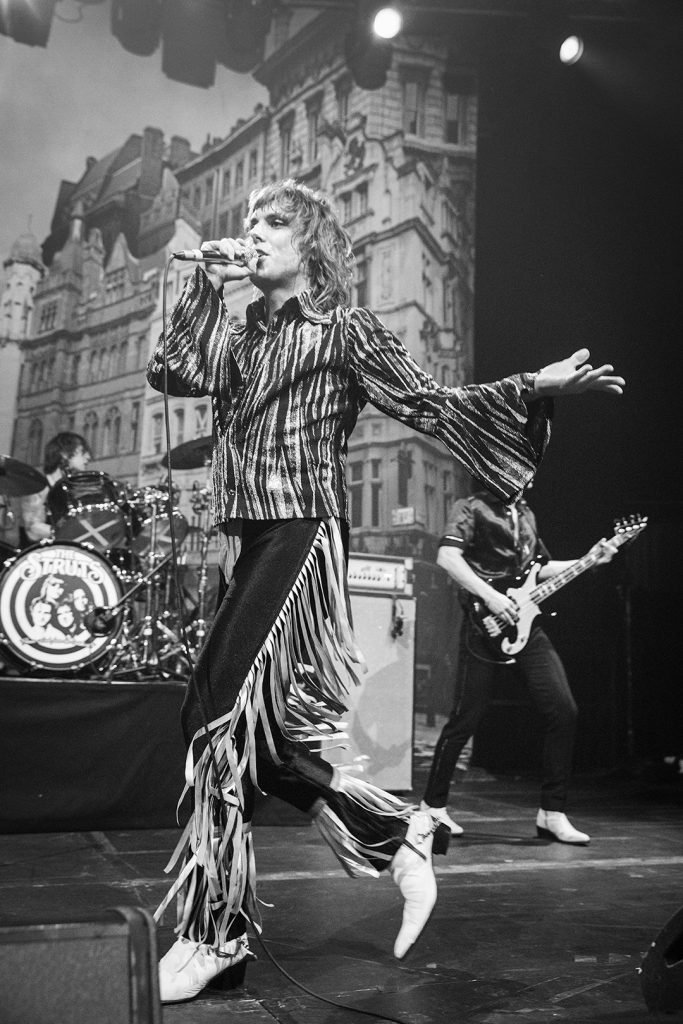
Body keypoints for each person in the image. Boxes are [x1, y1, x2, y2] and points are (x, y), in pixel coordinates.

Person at [146, 178, 624, 1003]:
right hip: (247, 540)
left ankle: (213, 934)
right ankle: (393, 827)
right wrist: (205, 283)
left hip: (299, 534)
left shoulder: (347, 329)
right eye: (248, 222)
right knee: (213, 727)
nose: (252, 234)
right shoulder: (243, 334)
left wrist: (530, 389)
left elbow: (430, 405)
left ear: (312, 246)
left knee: (221, 720)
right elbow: (172, 370)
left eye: (272, 224)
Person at [421, 488, 618, 845]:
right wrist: (491, 596)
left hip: (527, 625)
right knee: (466, 718)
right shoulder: (471, 507)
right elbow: (448, 557)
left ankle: (551, 813)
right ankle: (432, 810)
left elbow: (539, 570)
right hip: (484, 624)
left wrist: (587, 560)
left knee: (563, 710)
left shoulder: (525, 514)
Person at [19, 432, 92, 545]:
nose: (88, 457)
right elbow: (33, 530)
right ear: (64, 454)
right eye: (82, 453)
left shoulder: (72, 493)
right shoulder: (39, 487)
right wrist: (71, 533)